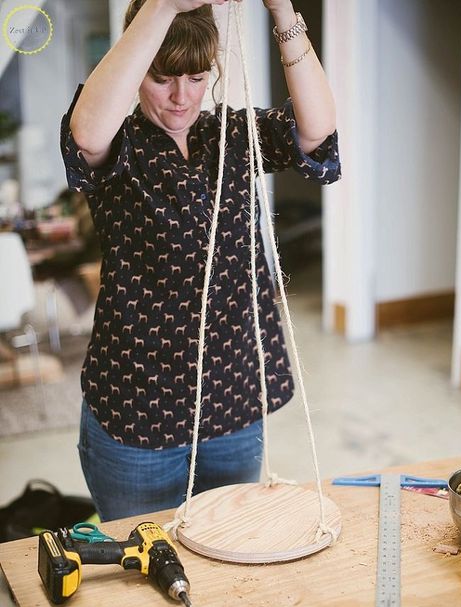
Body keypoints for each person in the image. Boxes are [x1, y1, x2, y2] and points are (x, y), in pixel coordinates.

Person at [60, 0, 341, 522]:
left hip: (233, 401)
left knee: (226, 556)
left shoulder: (231, 135)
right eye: (162, 78)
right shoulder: (118, 148)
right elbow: (84, 135)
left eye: (195, 77)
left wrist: (282, 9)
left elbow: (317, 132)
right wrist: (163, 5)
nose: (181, 97)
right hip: (137, 413)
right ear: (138, 69)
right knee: (146, 566)